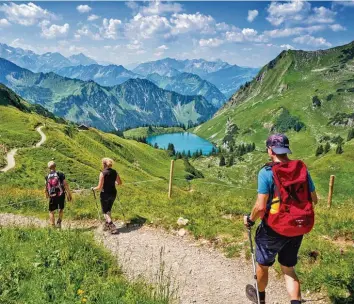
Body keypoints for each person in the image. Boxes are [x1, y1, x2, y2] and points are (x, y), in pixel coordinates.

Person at [243, 134, 318, 304]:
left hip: (273, 229)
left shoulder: (266, 172)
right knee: (288, 269)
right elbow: (314, 199)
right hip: (297, 227)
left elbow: (261, 206)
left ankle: (260, 298)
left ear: (270, 150)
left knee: (262, 265)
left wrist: (250, 219)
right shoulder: (302, 170)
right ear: (286, 149)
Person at [91, 158, 122, 234]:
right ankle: (107, 224)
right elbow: (120, 183)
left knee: (104, 212)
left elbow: (99, 187)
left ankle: (112, 225)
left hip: (105, 194)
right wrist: (114, 183)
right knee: (108, 210)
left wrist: (93, 188)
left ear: (103, 164)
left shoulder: (103, 173)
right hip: (113, 193)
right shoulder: (115, 172)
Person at [45, 161, 72, 228]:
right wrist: (69, 194)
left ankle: (53, 226)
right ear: (55, 166)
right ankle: (59, 223)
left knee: (51, 211)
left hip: (52, 196)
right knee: (61, 209)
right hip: (61, 195)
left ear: (49, 168)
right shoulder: (60, 174)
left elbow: (46, 187)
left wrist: (47, 195)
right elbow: (65, 184)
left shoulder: (47, 176)